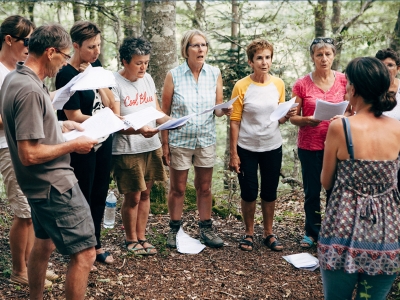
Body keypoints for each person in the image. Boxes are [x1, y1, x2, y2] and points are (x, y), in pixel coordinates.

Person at [0, 23, 98, 300]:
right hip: (53, 185)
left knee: (43, 246)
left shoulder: (15, 78)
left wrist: (59, 126)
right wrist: (74, 144)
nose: (65, 63)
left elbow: (25, 125)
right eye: (65, 56)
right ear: (50, 51)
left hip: (38, 187)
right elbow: (29, 154)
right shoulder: (30, 89)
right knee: (85, 253)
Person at [318, 56, 400, 300]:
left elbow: (326, 181)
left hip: (342, 230)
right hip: (387, 233)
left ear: (353, 89)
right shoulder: (397, 129)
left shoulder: (340, 128)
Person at [0, 15, 60, 288]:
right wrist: (25, 116)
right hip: (8, 146)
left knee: (33, 209)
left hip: (35, 141)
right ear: (8, 40)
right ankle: (19, 270)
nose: (30, 45)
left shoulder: (25, 69)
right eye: (26, 40)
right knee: (23, 211)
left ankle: (33, 266)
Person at [161, 29, 232, 248]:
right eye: (196, 45)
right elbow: (164, 113)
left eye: (204, 45)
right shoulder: (174, 75)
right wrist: (165, 144)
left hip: (205, 139)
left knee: (205, 187)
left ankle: (206, 228)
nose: (201, 49)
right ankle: (174, 229)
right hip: (180, 140)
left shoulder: (214, 73)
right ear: (186, 50)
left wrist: (225, 109)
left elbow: (216, 110)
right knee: (178, 188)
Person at [55, 21, 115, 267]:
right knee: (84, 194)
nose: (97, 51)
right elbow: (74, 116)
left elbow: (110, 101)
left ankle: (96, 243)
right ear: (76, 46)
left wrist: (95, 78)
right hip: (81, 142)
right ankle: (80, 247)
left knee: (100, 192)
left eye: (99, 45)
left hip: (103, 138)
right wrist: (106, 119)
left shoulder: (96, 66)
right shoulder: (65, 73)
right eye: (91, 47)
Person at [229, 39, 296, 252]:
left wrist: (287, 114)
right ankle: (249, 233)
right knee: (249, 192)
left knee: (269, 191)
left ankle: (268, 233)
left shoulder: (278, 84)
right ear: (251, 61)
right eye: (259, 58)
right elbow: (235, 120)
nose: (264, 62)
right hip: (246, 148)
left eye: (267, 57)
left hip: (272, 146)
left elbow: (280, 117)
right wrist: (233, 153)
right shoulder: (241, 86)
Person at [111, 36, 170, 255]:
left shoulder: (148, 79)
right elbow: (115, 120)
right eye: (138, 63)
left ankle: (142, 236)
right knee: (133, 195)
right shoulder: (115, 82)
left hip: (151, 145)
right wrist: (139, 129)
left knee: (146, 194)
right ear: (125, 61)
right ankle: (130, 239)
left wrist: (173, 122)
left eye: (146, 62)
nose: (143, 67)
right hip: (128, 147)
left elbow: (156, 112)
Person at [289, 37, 348, 248]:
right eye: (319, 54)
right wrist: (306, 120)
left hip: (338, 145)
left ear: (333, 56)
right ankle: (312, 233)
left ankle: (332, 232)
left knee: (335, 190)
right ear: (313, 57)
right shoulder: (302, 84)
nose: (324, 59)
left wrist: (344, 118)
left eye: (328, 54)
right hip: (310, 145)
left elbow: (353, 109)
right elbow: (292, 116)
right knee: (312, 191)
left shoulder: (344, 80)